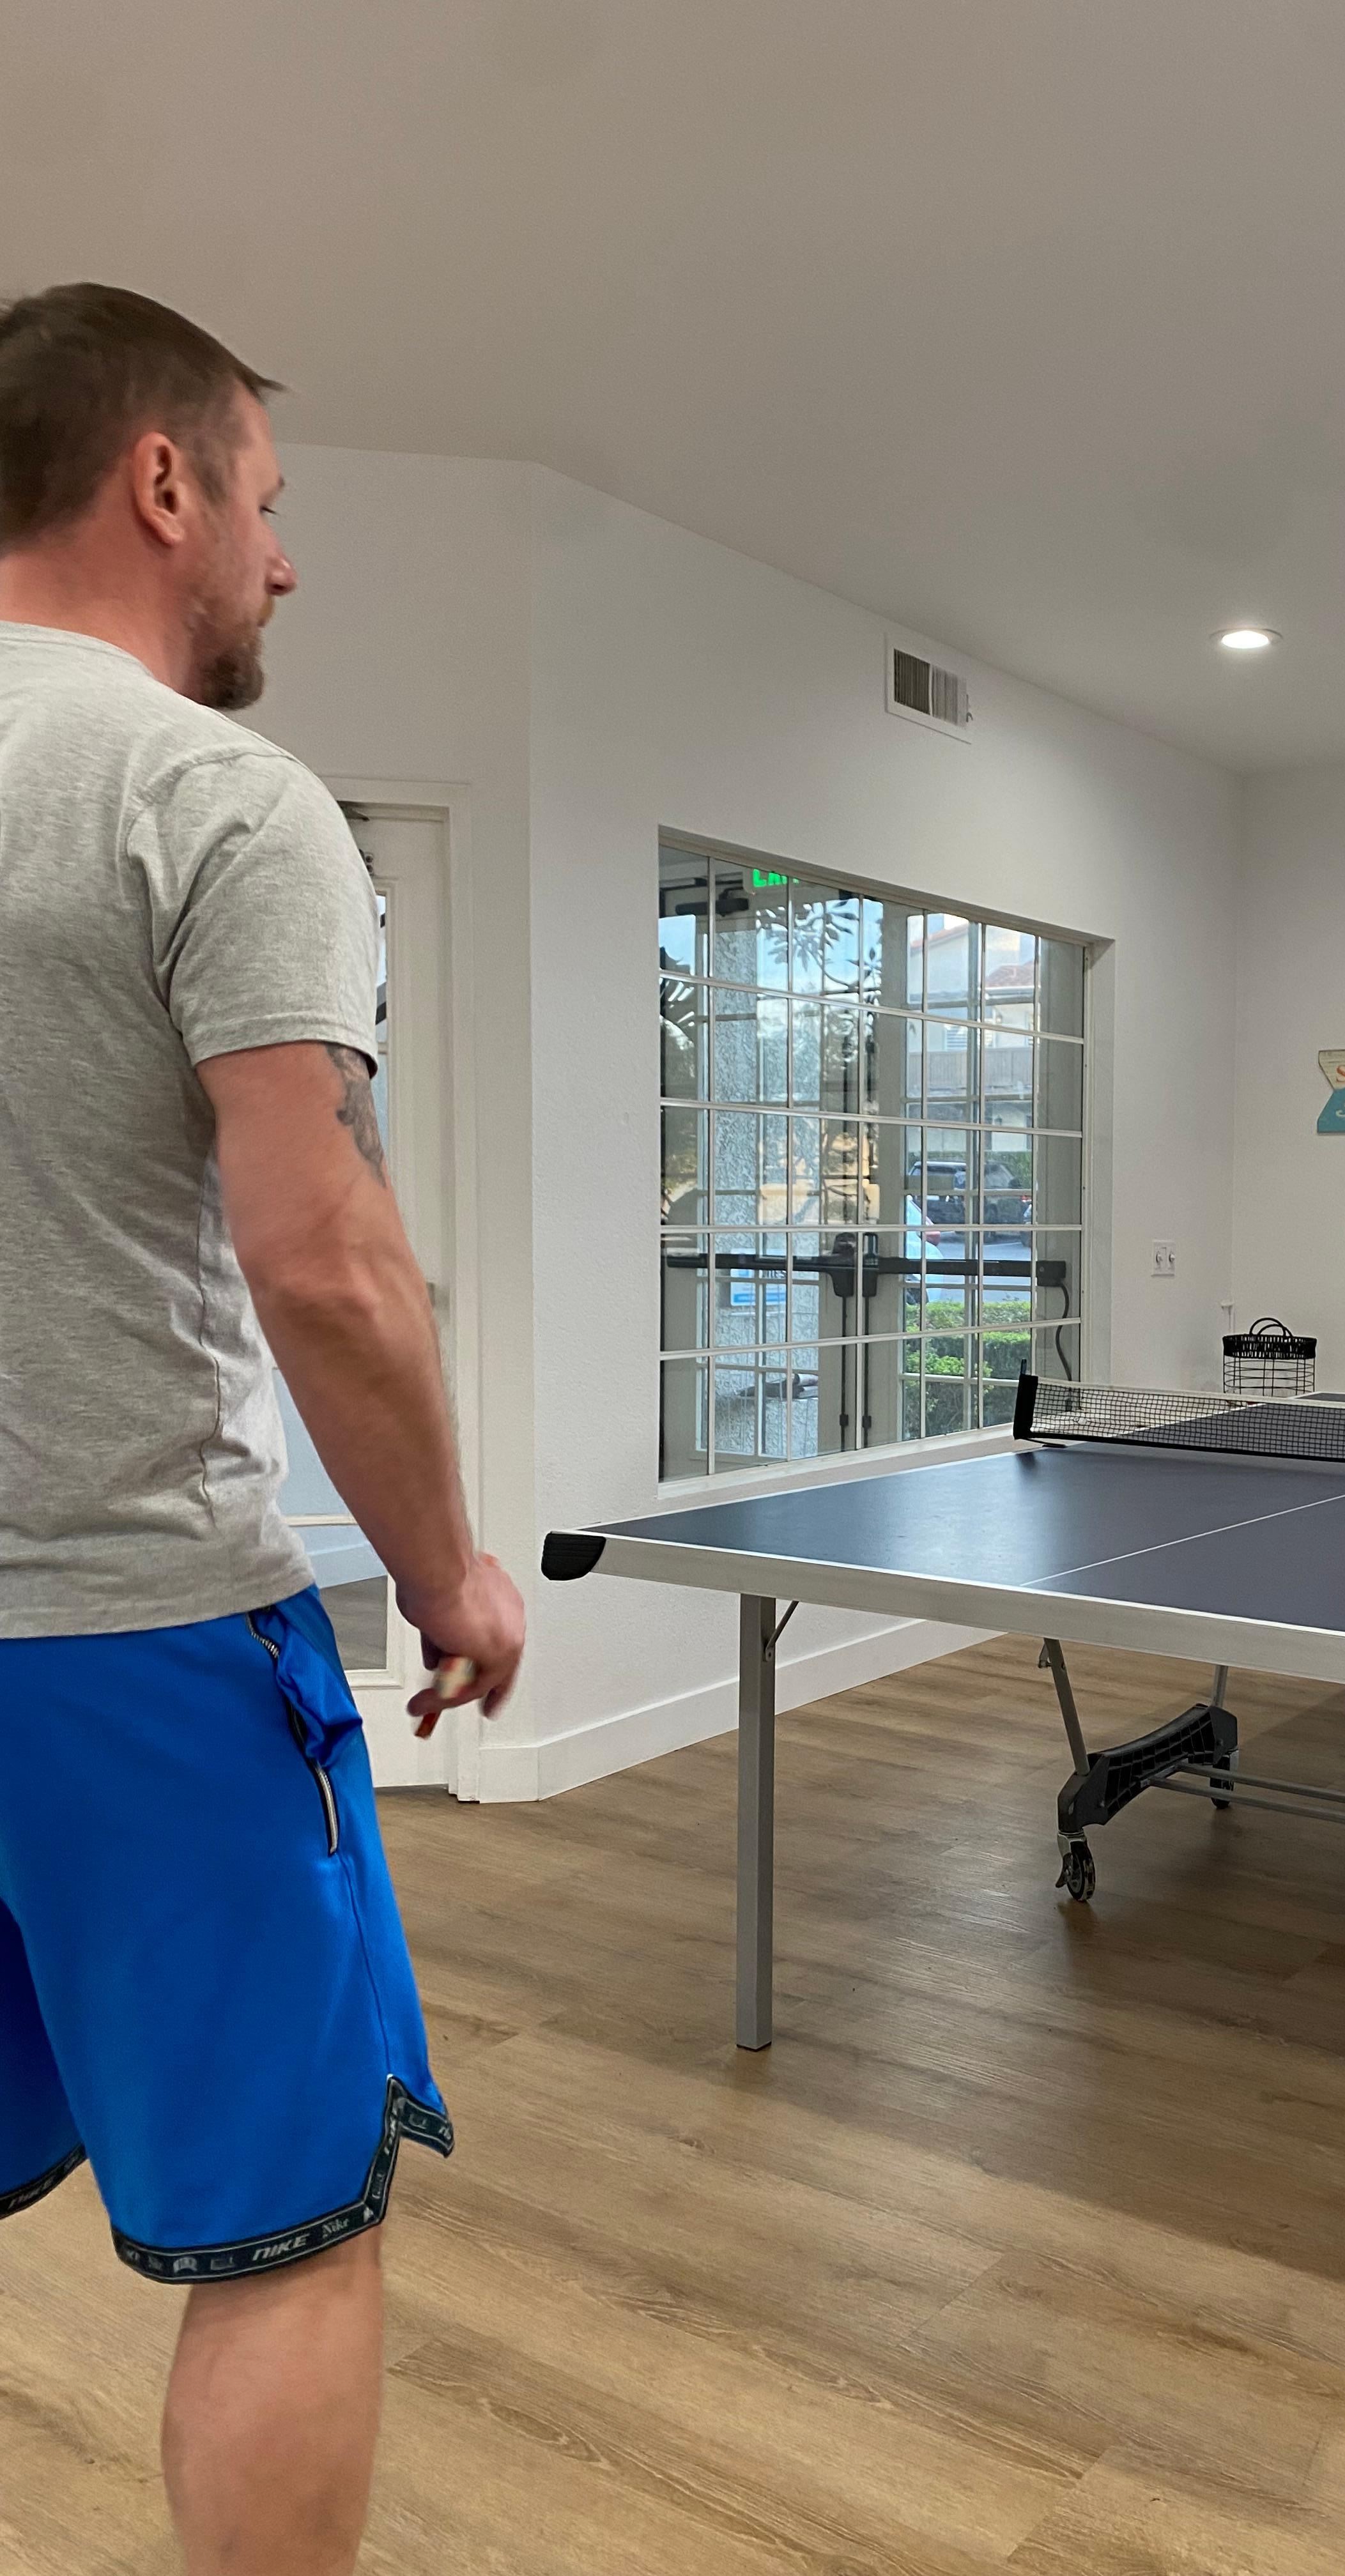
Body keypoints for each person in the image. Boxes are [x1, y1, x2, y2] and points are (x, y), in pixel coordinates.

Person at [0, 284, 524, 2576]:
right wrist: (446, 1566)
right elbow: (327, 1260)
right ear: (163, 484)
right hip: (128, 1638)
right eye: (273, 506)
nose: (283, 564)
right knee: (293, 2221)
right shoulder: (206, 789)